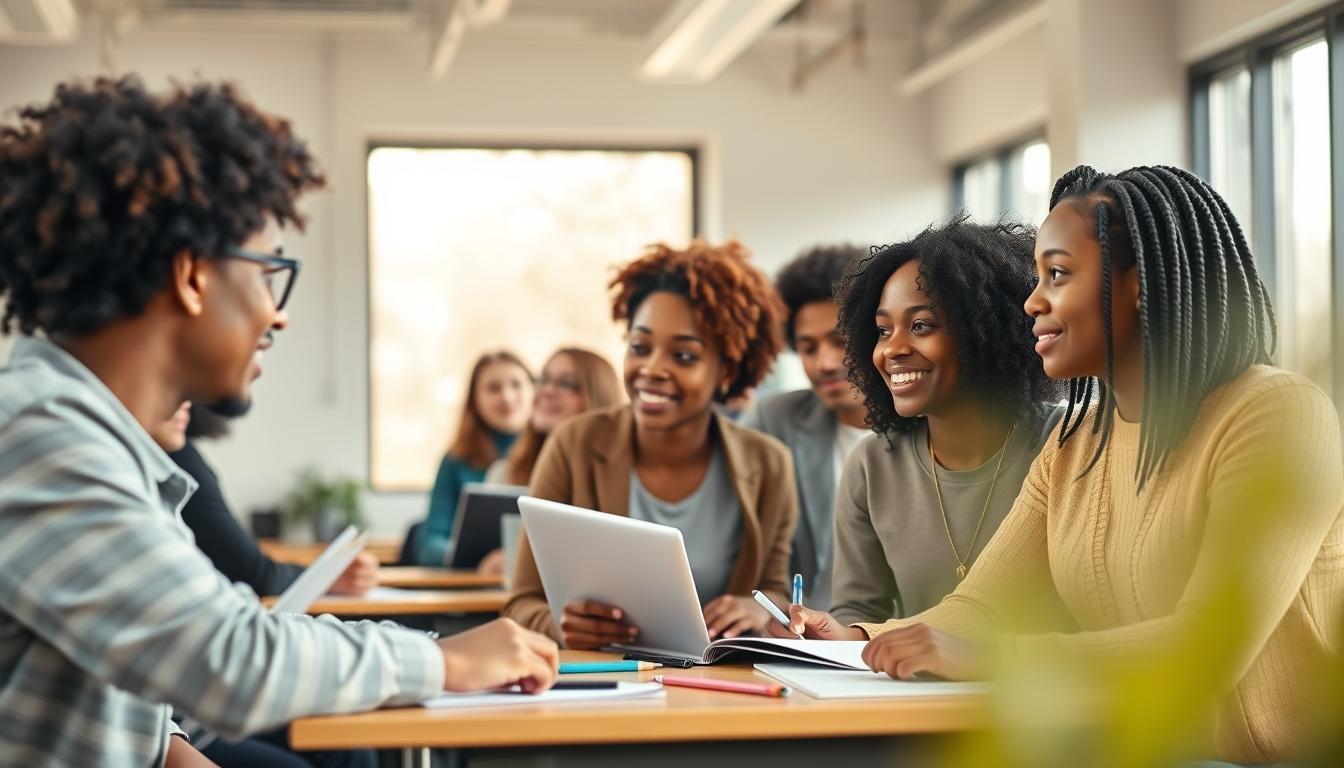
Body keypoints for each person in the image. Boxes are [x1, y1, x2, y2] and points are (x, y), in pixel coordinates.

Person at [0, 77, 557, 768]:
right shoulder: (38, 433)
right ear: (192, 275)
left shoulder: (91, 440)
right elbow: (228, 657)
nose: (278, 312)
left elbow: (149, 684)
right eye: (268, 272)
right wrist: (441, 660)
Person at [775, 165, 1343, 766]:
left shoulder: (1276, 412)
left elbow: (1208, 646)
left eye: (1059, 274)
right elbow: (980, 606)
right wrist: (855, 640)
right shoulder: (1079, 442)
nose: (1032, 300)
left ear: (1142, 284)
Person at [504, 240, 798, 647]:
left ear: (727, 370)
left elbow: (777, 590)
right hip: (605, 684)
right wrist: (559, 625)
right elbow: (520, 602)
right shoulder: (574, 444)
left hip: (719, 689)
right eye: (640, 348)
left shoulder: (769, 464)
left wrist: (759, 609)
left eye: (683, 356)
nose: (652, 369)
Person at [822, 219, 1061, 625]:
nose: (892, 349)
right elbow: (857, 612)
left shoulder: (1067, 443)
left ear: (985, 330)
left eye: (920, 325)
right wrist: (823, 633)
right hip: (915, 688)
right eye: (882, 330)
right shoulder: (872, 465)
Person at [151, 402, 378, 768]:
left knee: (350, 745)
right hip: (188, 711)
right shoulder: (167, 468)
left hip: (191, 702)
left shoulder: (166, 474)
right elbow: (252, 579)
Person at [743, 244, 869, 608]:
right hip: (796, 635)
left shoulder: (931, 429)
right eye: (808, 348)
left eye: (840, 342)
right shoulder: (774, 419)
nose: (824, 363)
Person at [150, 401, 378, 597]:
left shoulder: (167, 459)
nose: (185, 401)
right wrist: (330, 576)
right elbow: (254, 575)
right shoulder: (178, 461)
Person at [476, 348, 621, 574]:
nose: (546, 391)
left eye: (566, 383)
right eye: (543, 380)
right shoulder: (506, 472)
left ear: (597, 395)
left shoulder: (620, 477)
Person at [417, 351, 533, 566]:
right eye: (493, 388)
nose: (506, 396)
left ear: (534, 391)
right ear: (474, 400)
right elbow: (429, 544)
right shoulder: (455, 460)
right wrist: (478, 561)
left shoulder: (553, 455)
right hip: (474, 586)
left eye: (516, 385)